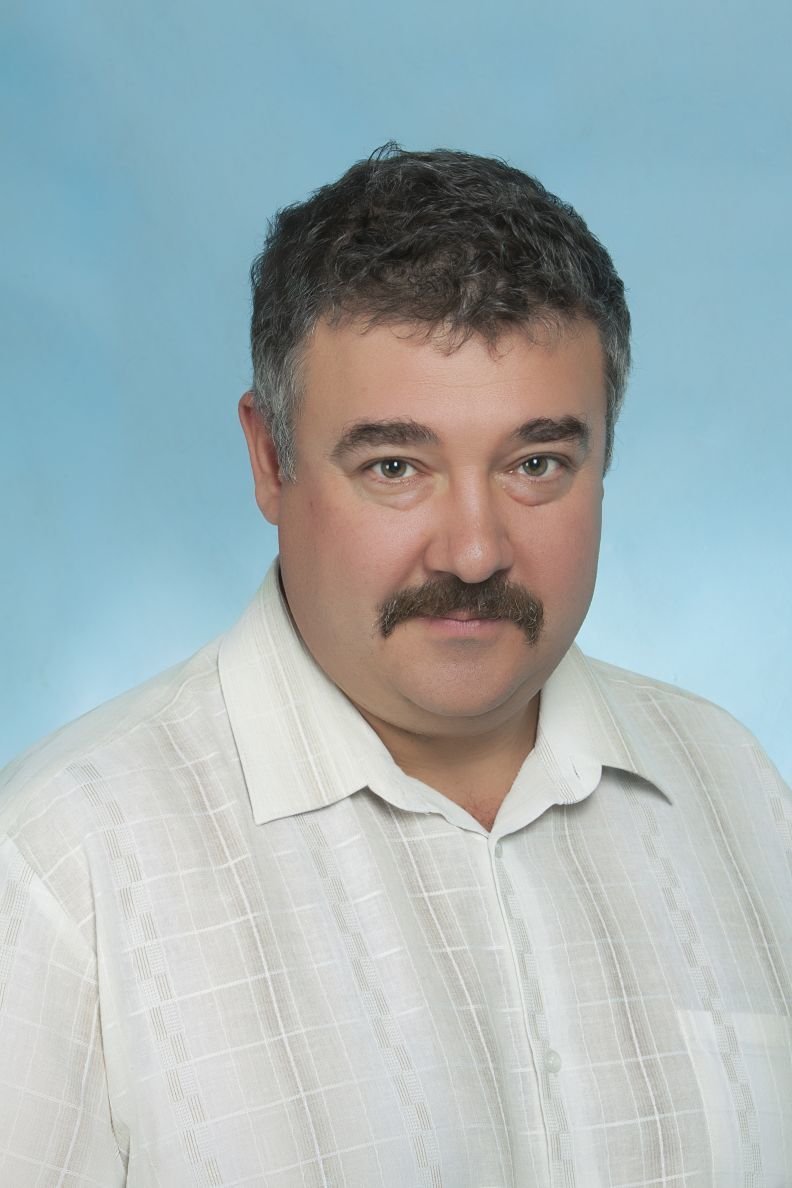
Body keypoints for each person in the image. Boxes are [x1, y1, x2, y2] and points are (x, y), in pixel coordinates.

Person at [1, 145, 790, 1188]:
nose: (474, 552)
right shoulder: (62, 869)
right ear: (269, 460)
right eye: (395, 466)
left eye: (536, 464)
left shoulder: (737, 790)